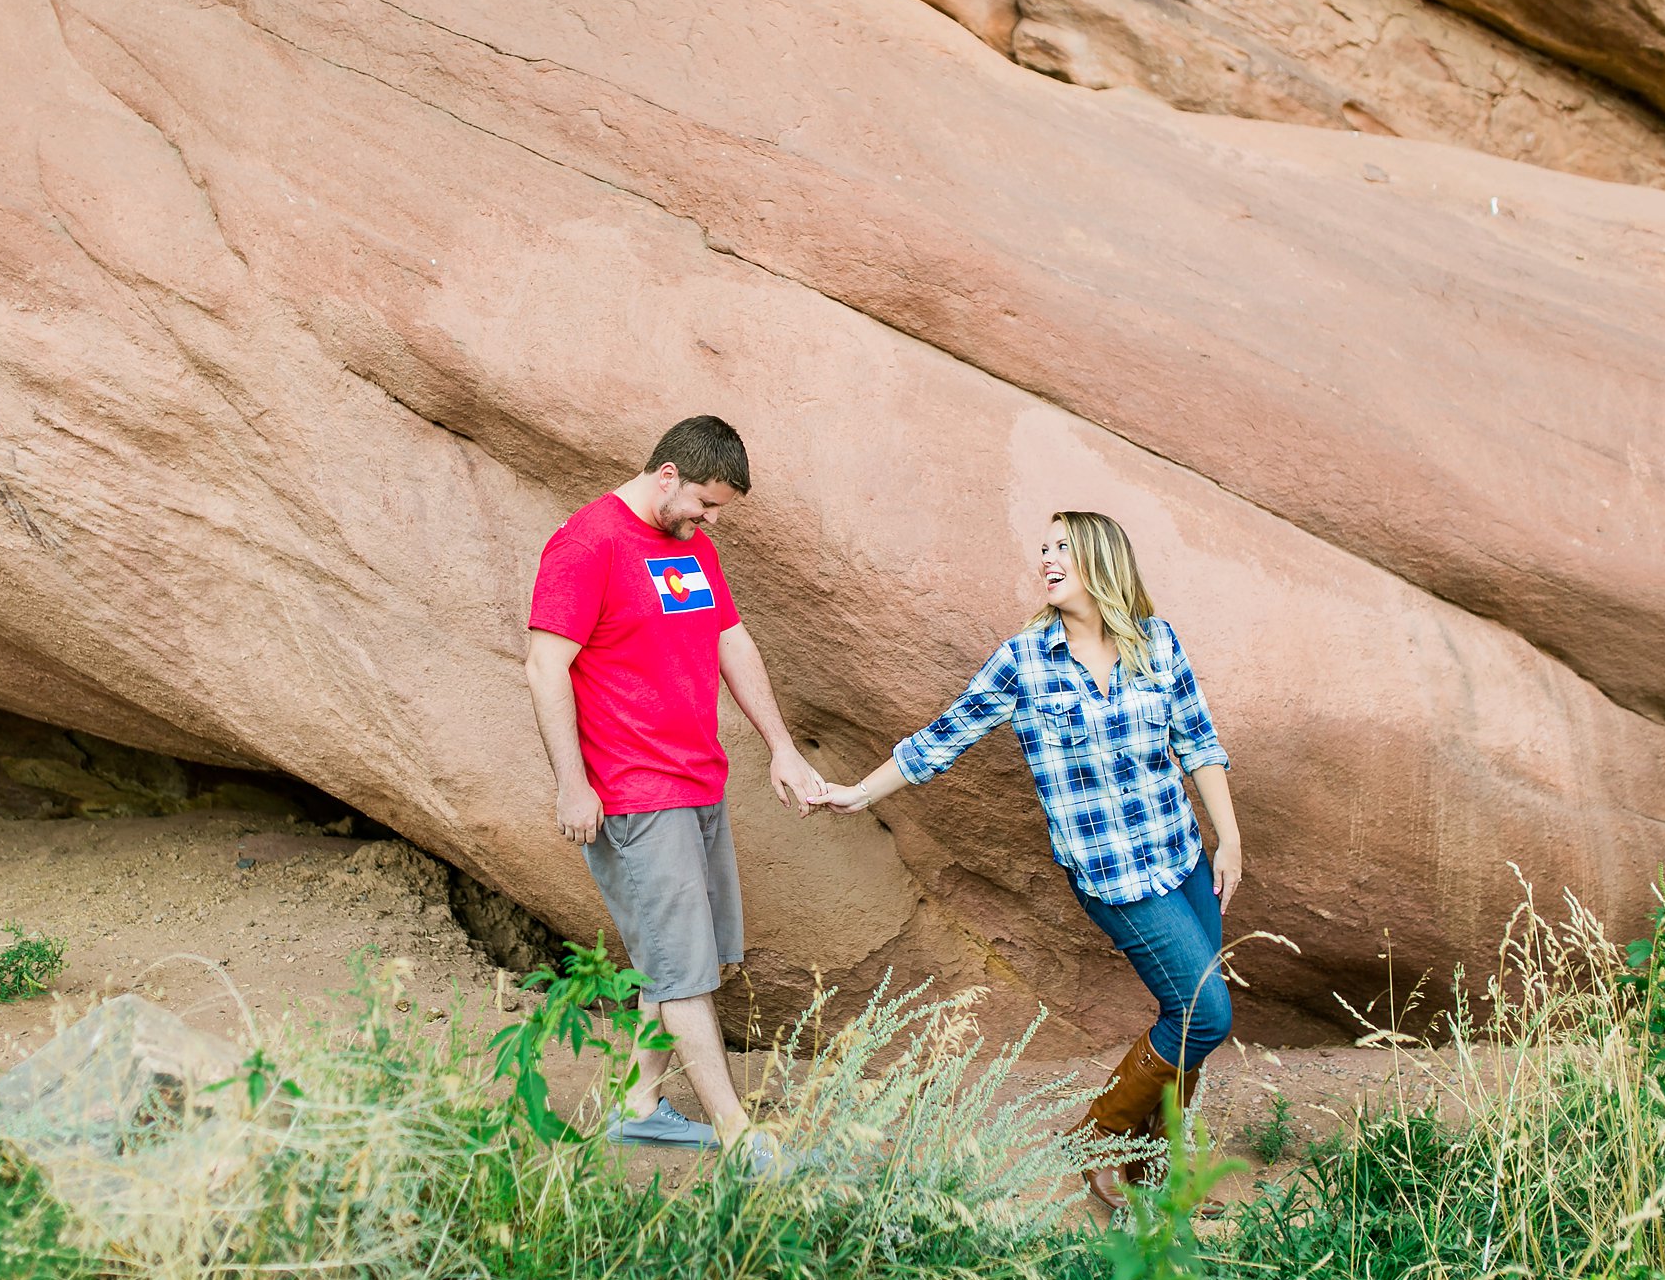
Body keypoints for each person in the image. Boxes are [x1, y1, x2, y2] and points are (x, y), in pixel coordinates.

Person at [809, 510, 1242, 1211]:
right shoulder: (1025, 659)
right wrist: (860, 791)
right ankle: (1098, 1141)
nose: (1046, 557)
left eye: (1061, 546)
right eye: (1042, 547)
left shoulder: (1155, 642)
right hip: (1113, 876)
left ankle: (1149, 1177)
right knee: (1205, 1014)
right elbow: (940, 738)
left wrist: (1230, 840)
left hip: (1182, 856)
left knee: (1186, 1015)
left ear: (1101, 559)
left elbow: (1197, 742)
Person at [525, 414, 826, 1164]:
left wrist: (782, 748)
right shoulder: (587, 543)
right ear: (668, 475)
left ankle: (638, 1102)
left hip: (697, 780)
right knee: (683, 967)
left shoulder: (691, 547)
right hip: (632, 790)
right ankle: (738, 1136)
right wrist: (573, 784)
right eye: (707, 503)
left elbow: (730, 638)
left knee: (690, 955)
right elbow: (544, 665)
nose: (712, 519)